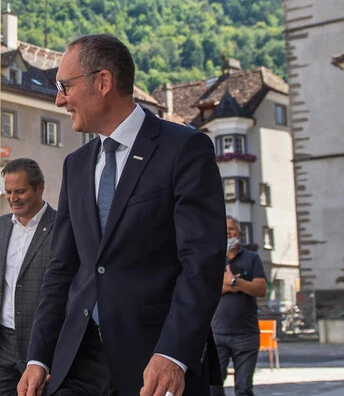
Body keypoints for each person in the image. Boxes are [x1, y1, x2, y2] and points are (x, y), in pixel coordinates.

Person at [18, 34, 225, 396]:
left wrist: (173, 353)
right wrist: (39, 357)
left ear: (103, 82)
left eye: (65, 86)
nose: (59, 100)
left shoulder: (184, 149)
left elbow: (201, 262)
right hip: (78, 363)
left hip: (154, 364)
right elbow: (62, 269)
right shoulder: (76, 165)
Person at [0, 158, 56, 395]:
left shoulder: (62, 226)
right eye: (8, 192)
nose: (12, 198)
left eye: (20, 191)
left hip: (41, 345)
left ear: (39, 188)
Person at [210, 217, 266, 396]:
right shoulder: (212, 259)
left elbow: (260, 289)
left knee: (244, 388)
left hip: (246, 334)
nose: (227, 232)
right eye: (224, 229)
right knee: (213, 387)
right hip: (217, 333)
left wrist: (234, 282)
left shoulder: (252, 258)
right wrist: (237, 285)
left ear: (240, 234)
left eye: (232, 229)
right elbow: (206, 290)